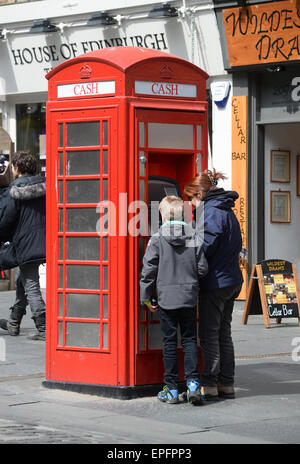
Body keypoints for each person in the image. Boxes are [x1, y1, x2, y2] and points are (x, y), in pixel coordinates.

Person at [140, 196, 208, 405]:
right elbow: (203, 268)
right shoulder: (194, 236)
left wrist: (145, 297)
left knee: (169, 343)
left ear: (162, 215)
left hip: (166, 299)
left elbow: (149, 270)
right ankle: (193, 385)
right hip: (189, 297)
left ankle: (170, 389)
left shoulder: (157, 238)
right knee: (189, 341)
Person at [184, 169, 243, 401]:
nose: (190, 203)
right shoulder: (226, 210)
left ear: (200, 193)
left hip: (215, 282)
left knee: (209, 335)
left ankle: (209, 383)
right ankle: (226, 383)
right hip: (232, 279)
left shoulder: (210, 212)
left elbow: (204, 248)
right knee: (223, 333)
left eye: (191, 198)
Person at [0, 151, 46, 340]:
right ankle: (14, 321)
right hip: (44, 240)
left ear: (17, 168)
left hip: (26, 243)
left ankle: (43, 327)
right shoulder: (45, 187)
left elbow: (5, 220)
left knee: (31, 285)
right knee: (23, 280)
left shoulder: (14, 191)